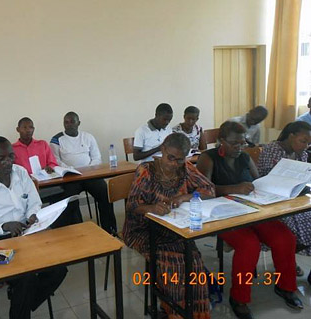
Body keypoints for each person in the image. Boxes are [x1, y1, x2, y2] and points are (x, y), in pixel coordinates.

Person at [196, 121, 302, 319]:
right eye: (234, 143)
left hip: (253, 210)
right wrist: (232, 189)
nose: (239, 148)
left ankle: (286, 286)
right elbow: (202, 191)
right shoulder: (207, 158)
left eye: (242, 143)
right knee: (249, 245)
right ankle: (239, 298)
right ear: (221, 141)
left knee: (285, 237)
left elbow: (259, 182)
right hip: (223, 214)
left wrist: (277, 189)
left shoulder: (244, 157)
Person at [0, 136, 67, 319]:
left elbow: (34, 203)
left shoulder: (21, 173)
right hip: (1, 241)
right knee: (27, 277)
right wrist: (4, 226)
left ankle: (23, 300)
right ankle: (20, 306)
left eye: (11, 156)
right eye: (1, 159)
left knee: (59, 268)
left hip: (28, 233)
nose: (8, 162)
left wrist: (33, 215)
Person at [123, 133, 214, 319]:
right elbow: (132, 206)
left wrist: (184, 197)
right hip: (144, 229)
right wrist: (151, 208)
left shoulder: (185, 169)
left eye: (179, 159)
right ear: (162, 150)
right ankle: (174, 311)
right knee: (172, 265)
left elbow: (210, 190)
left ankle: (194, 312)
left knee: (194, 261)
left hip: (174, 228)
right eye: (170, 158)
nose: (174, 164)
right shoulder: (146, 170)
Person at [257, 121, 311, 284]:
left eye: (309, 143)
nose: (306, 146)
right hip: (271, 200)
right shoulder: (272, 149)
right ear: (291, 136)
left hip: (294, 198)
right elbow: (265, 178)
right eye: (303, 141)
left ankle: (289, 259)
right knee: (294, 222)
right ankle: (288, 260)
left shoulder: (302, 153)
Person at [50, 112, 117, 234]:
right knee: (70, 200)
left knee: (105, 193)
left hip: (90, 175)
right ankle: (79, 232)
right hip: (70, 178)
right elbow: (56, 161)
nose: (69, 125)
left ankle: (109, 230)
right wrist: (71, 170)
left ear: (78, 123)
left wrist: (88, 170)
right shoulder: (56, 139)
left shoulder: (88, 137)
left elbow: (97, 157)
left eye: (72, 121)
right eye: (66, 122)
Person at [13, 117, 82, 224]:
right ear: (18, 129)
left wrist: (49, 167)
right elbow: (13, 171)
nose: (28, 130)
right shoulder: (13, 149)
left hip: (47, 182)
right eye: (24, 127)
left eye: (30, 127)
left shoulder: (42, 144)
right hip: (28, 187)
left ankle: (75, 226)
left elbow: (52, 163)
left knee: (71, 193)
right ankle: (55, 225)